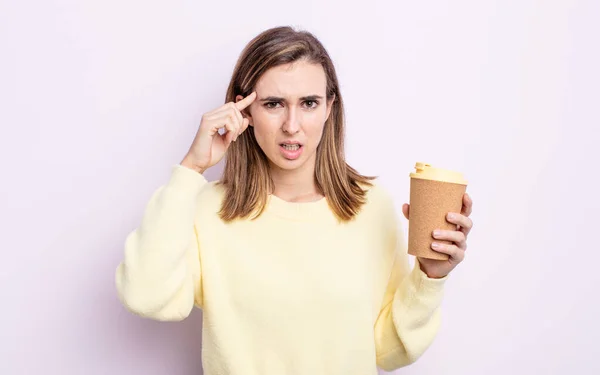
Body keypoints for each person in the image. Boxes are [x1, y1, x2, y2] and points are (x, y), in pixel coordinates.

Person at [115, 25, 474, 375]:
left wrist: (430, 276)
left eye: (308, 103)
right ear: (244, 111)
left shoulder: (371, 207)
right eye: (273, 104)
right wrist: (190, 169)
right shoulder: (207, 209)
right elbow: (147, 295)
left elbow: (388, 349)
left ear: (329, 107)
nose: (292, 125)